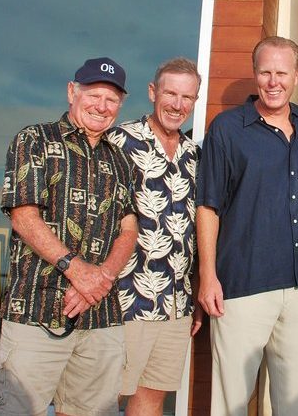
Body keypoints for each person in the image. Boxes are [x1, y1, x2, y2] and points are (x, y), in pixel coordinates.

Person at [0, 57, 138, 416]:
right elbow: (24, 217)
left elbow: (129, 230)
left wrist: (100, 280)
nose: (102, 106)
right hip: (35, 313)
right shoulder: (34, 140)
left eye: (112, 99)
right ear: (72, 92)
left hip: (101, 319)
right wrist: (78, 271)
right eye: (94, 95)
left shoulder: (121, 161)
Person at [196, 37, 298, 416]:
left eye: (281, 72)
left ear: (296, 75)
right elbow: (208, 206)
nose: (273, 81)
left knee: (296, 405)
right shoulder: (227, 129)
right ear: (255, 75)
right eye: (265, 72)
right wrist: (207, 276)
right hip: (242, 288)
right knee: (231, 404)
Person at [109, 57, 203, 416]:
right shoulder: (120, 142)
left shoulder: (195, 155)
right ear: (153, 92)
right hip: (124, 299)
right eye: (170, 93)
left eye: (187, 97)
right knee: (104, 395)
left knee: (152, 395)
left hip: (175, 304)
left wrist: (193, 291)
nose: (178, 105)